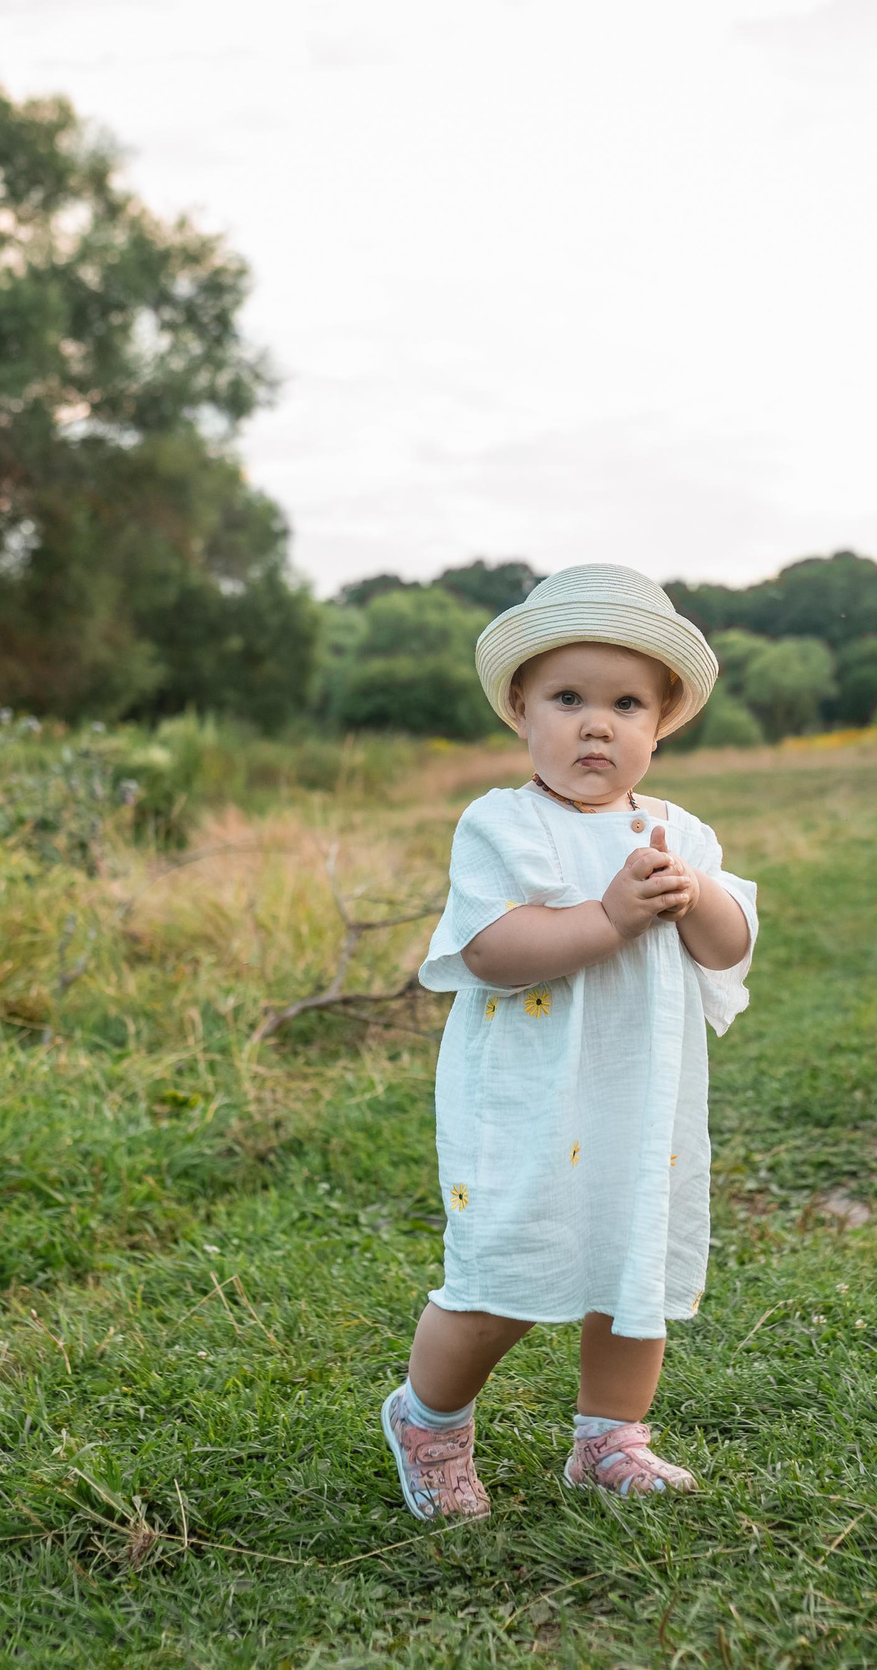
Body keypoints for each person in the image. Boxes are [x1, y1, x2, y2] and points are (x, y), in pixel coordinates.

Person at [380, 563, 759, 1519]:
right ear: (520, 708)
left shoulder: (679, 834)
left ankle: (610, 1439)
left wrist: (697, 895)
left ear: (661, 722)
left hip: (639, 1095)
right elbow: (495, 950)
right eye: (569, 697)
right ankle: (429, 1419)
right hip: (528, 1098)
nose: (598, 723)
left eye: (626, 703)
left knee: (635, 1265)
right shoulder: (504, 824)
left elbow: (731, 946)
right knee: (501, 1273)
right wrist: (609, 917)